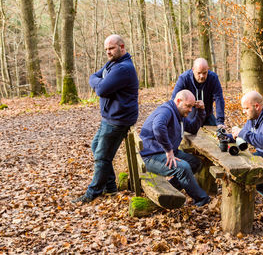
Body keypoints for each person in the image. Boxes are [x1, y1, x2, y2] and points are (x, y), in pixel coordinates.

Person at [73, 35, 139, 203]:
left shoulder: (123, 68)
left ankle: (92, 193)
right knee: (96, 147)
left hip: (118, 120)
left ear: (122, 47)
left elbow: (101, 89)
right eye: (106, 49)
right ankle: (110, 187)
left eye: (111, 48)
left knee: (102, 157)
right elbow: (93, 76)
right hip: (110, 117)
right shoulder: (112, 64)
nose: (108, 52)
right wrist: (98, 81)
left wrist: (98, 82)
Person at [139, 90, 210, 207]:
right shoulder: (166, 111)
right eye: (188, 106)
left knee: (195, 163)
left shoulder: (179, 114)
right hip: (150, 156)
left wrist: (201, 111)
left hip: (162, 152)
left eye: (192, 107)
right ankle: (202, 199)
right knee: (183, 168)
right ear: (178, 101)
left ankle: (170, 189)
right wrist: (169, 150)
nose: (190, 110)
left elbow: (192, 128)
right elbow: (158, 126)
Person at [171, 58, 225, 128]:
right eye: (199, 73)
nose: (202, 76)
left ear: (208, 69)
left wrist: (220, 121)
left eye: (205, 73)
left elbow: (219, 99)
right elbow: (174, 99)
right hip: (189, 114)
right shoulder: (184, 78)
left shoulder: (213, 78)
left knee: (217, 133)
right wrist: (173, 118)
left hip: (207, 114)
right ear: (193, 69)